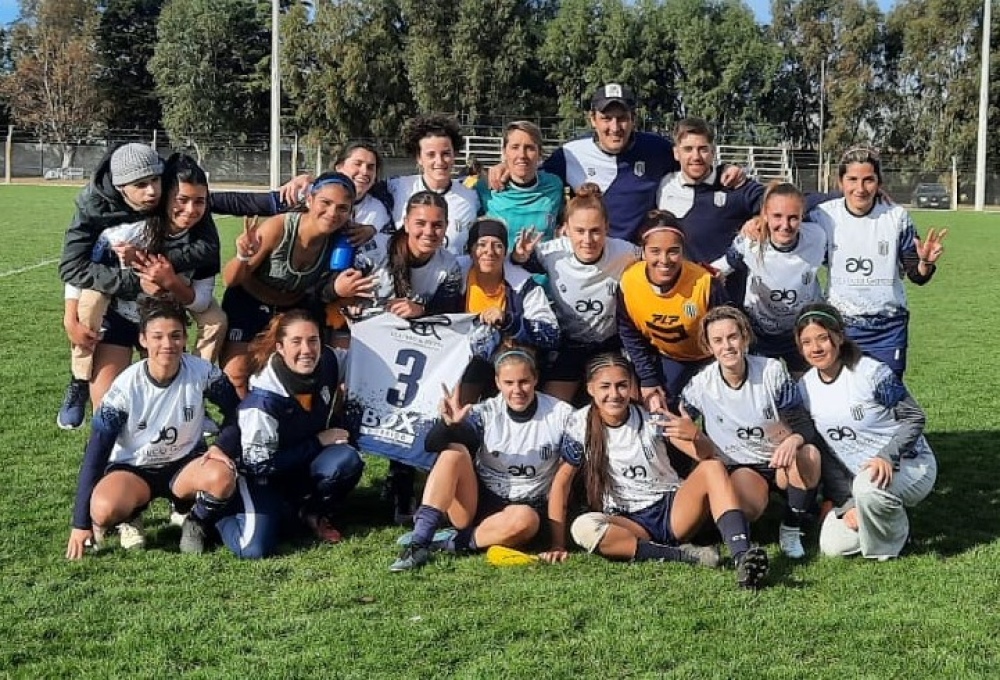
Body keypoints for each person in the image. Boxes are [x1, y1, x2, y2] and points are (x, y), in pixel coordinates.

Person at [545, 353, 770, 588]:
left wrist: (695, 435)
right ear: (590, 388)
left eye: (622, 385)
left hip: (671, 510)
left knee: (712, 467)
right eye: (605, 386)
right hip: (628, 521)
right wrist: (557, 544)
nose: (614, 394)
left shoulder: (652, 416)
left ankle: (742, 556)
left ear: (632, 385)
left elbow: (705, 455)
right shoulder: (579, 424)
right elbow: (561, 483)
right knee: (583, 527)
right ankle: (684, 555)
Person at [327, 190, 464, 524]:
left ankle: (402, 482)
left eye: (437, 225)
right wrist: (351, 301)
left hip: (414, 354)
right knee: (341, 408)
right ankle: (328, 487)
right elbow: (337, 290)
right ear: (405, 222)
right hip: (366, 346)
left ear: (446, 226)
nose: (429, 232)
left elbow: (450, 323)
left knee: (415, 404)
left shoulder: (449, 267)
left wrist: (423, 309)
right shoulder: (376, 251)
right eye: (420, 223)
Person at [65, 301, 241, 559]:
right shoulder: (124, 388)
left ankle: (194, 518)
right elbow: (97, 450)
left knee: (222, 476)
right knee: (103, 509)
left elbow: (238, 412)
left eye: (175, 336)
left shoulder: (203, 372)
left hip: (184, 465)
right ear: (143, 340)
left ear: (184, 339)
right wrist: (80, 524)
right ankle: (131, 516)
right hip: (134, 469)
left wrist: (220, 445)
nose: (167, 344)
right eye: (157, 337)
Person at [389, 344, 574, 571]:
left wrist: (558, 541)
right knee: (453, 451)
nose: (517, 390)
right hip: (477, 503)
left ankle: (450, 541)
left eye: (524, 381)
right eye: (509, 383)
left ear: (535, 379)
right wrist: (449, 425)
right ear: (497, 383)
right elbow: (431, 445)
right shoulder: (487, 411)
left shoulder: (560, 414)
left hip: (526, 508)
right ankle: (419, 543)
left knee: (525, 520)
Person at [490, 86, 743, 242]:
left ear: (633, 119)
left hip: (638, 260)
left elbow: (693, 162)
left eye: (622, 118)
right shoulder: (571, 154)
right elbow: (530, 176)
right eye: (606, 118)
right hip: (588, 257)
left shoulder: (657, 149)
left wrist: (724, 168)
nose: (614, 127)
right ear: (593, 119)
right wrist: (504, 167)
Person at [213, 310, 365, 558]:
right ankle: (218, 513)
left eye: (313, 340)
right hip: (260, 478)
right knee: (253, 549)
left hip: (298, 464)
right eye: (296, 341)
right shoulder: (263, 399)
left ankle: (310, 512)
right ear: (280, 348)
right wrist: (317, 441)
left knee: (346, 460)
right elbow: (259, 465)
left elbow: (363, 363)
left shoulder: (328, 360)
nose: (307, 349)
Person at [795, 304, 937, 560]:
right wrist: (847, 503)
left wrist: (887, 455)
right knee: (833, 547)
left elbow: (914, 417)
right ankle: (883, 515)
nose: (815, 348)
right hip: (859, 483)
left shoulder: (870, 373)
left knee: (867, 487)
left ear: (838, 336)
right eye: (806, 342)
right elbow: (827, 454)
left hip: (911, 465)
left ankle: (892, 545)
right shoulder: (805, 388)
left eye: (822, 338)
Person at [679, 306, 821, 559]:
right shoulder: (701, 384)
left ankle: (791, 528)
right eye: (718, 341)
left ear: (745, 337)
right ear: (709, 347)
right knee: (746, 508)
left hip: (780, 462)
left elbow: (803, 424)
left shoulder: (771, 371)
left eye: (733, 337)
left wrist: (794, 440)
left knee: (809, 454)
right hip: (742, 466)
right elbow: (675, 427)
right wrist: (699, 450)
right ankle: (753, 520)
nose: (727, 346)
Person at [809, 147, 947, 376]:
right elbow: (786, 210)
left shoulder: (896, 217)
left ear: (879, 182)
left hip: (888, 328)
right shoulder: (822, 216)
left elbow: (916, 274)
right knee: (844, 398)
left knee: (886, 398)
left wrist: (925, 262)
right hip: (841, 327)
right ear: (840, 181)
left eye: (868, 180)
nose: (860, 188)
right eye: (852, 179)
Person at [219, 171, 357, 396]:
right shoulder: (279, 228)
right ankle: (241, 426)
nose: (332, 213)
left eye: (342, 208)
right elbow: (230, 279)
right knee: (236, 376)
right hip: (249, 302)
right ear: (310, 199)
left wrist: (368, 230)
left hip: (292, 310)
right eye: (326, 202)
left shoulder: (342, 240)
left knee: (297, 379)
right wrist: (243, 256)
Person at [510, 184, 638, 403]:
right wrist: (519, 256)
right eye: (580, 231)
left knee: (632, 404)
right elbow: (516, 265)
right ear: (566, 229)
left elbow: (657, 263)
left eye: (595, 231)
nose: (587, 240)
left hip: (609, 344)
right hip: (570, 344)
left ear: (607, 227)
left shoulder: (626, 252)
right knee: (551, 406)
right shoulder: (552, 252)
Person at [616, 211, 728, 413]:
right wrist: (648, 378)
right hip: (669, 356)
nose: (664, 260)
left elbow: (728, 327)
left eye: (673, 251)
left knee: (719, 411)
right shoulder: (629, 282)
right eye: (655, 251)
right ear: (643, 251)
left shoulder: (704, 283)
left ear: (683, 251)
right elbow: (629, 332)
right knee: (660, 409)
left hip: (711, 357)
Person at [711, 181, 827, 373]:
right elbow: (722, 268)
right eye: (777, 216)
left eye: (793, 218)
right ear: (764, 214)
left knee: (806, 392)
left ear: (802, 216)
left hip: (802, 331)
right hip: (760, 335)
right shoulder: (749, 242)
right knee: (763, 391)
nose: (785, 225)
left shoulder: (817, 237)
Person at [457, 217, 560, 404]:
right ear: (470, 250)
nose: (489, 251)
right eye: (481, 244)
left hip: (508, 363)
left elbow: (551, 334)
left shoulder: (523, 284)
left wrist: (509, 321)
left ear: (505, 252)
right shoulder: (454, 276)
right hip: (462, 362)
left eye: (497, 245)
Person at [386, 115, 480, 255]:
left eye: (446, 153)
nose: (440, 161)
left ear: (455, 154)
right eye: (431, 154)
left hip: (454, 275)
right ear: (419, 158)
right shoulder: (396, 188)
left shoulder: (472, 196)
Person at [474, 121, 564, 246]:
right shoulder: (485, 187)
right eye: (515, 147)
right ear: (504, 152)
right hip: (502, 264)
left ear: (539, 153)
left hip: (544, 263)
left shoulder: (554, 185)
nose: (522, 155)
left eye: (530, 148)